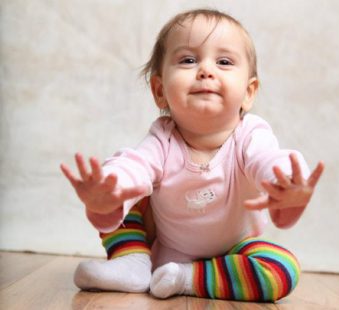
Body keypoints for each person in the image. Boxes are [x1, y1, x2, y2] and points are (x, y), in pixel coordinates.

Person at [60, 8, 324, 302]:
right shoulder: (162, 138)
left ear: (249, 92)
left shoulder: (251, 134)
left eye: (224, 62)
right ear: (160, 91)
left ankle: (187, 278)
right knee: (124, 190)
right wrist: (107, 194)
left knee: (282, 269)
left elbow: (268, 160)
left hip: (232, 256)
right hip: (160, 249)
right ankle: (132, 262)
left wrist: (285, 184)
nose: (206, 70)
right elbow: (133, 166)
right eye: (188, 60)